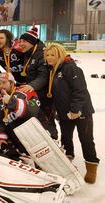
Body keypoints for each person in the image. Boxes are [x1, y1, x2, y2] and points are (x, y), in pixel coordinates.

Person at [44, 43, 99, 184]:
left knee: (86, 140)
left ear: (60, 55)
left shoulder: (71, 68)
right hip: (64, 114)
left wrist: (75, 110)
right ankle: (68, 159)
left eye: (53, 55)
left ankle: (92, 167)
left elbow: (80, 90)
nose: (49, 57)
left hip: (81, 111)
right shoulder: (52, 70)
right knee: (66, 138)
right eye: (47, 55)